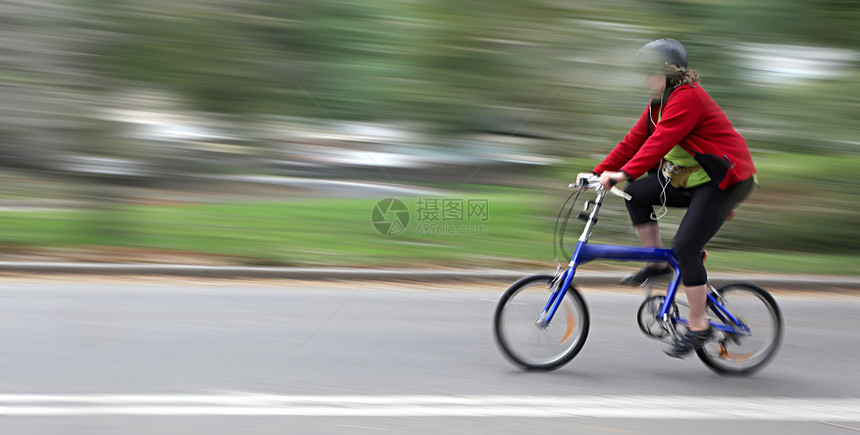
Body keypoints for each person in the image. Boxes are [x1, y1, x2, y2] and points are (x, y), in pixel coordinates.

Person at [576, 38, 756, 358]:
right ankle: (658, 263)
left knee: (686, 248)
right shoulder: (658, 105)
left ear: (670, 73)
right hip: (689, 180)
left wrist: (625, 172)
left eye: (650, 74)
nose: (645, 80)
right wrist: (598, 172)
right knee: (634, 194)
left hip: (724, 182)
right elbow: (632, 142)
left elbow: (659, 143)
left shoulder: (687, 99)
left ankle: (700, 326)